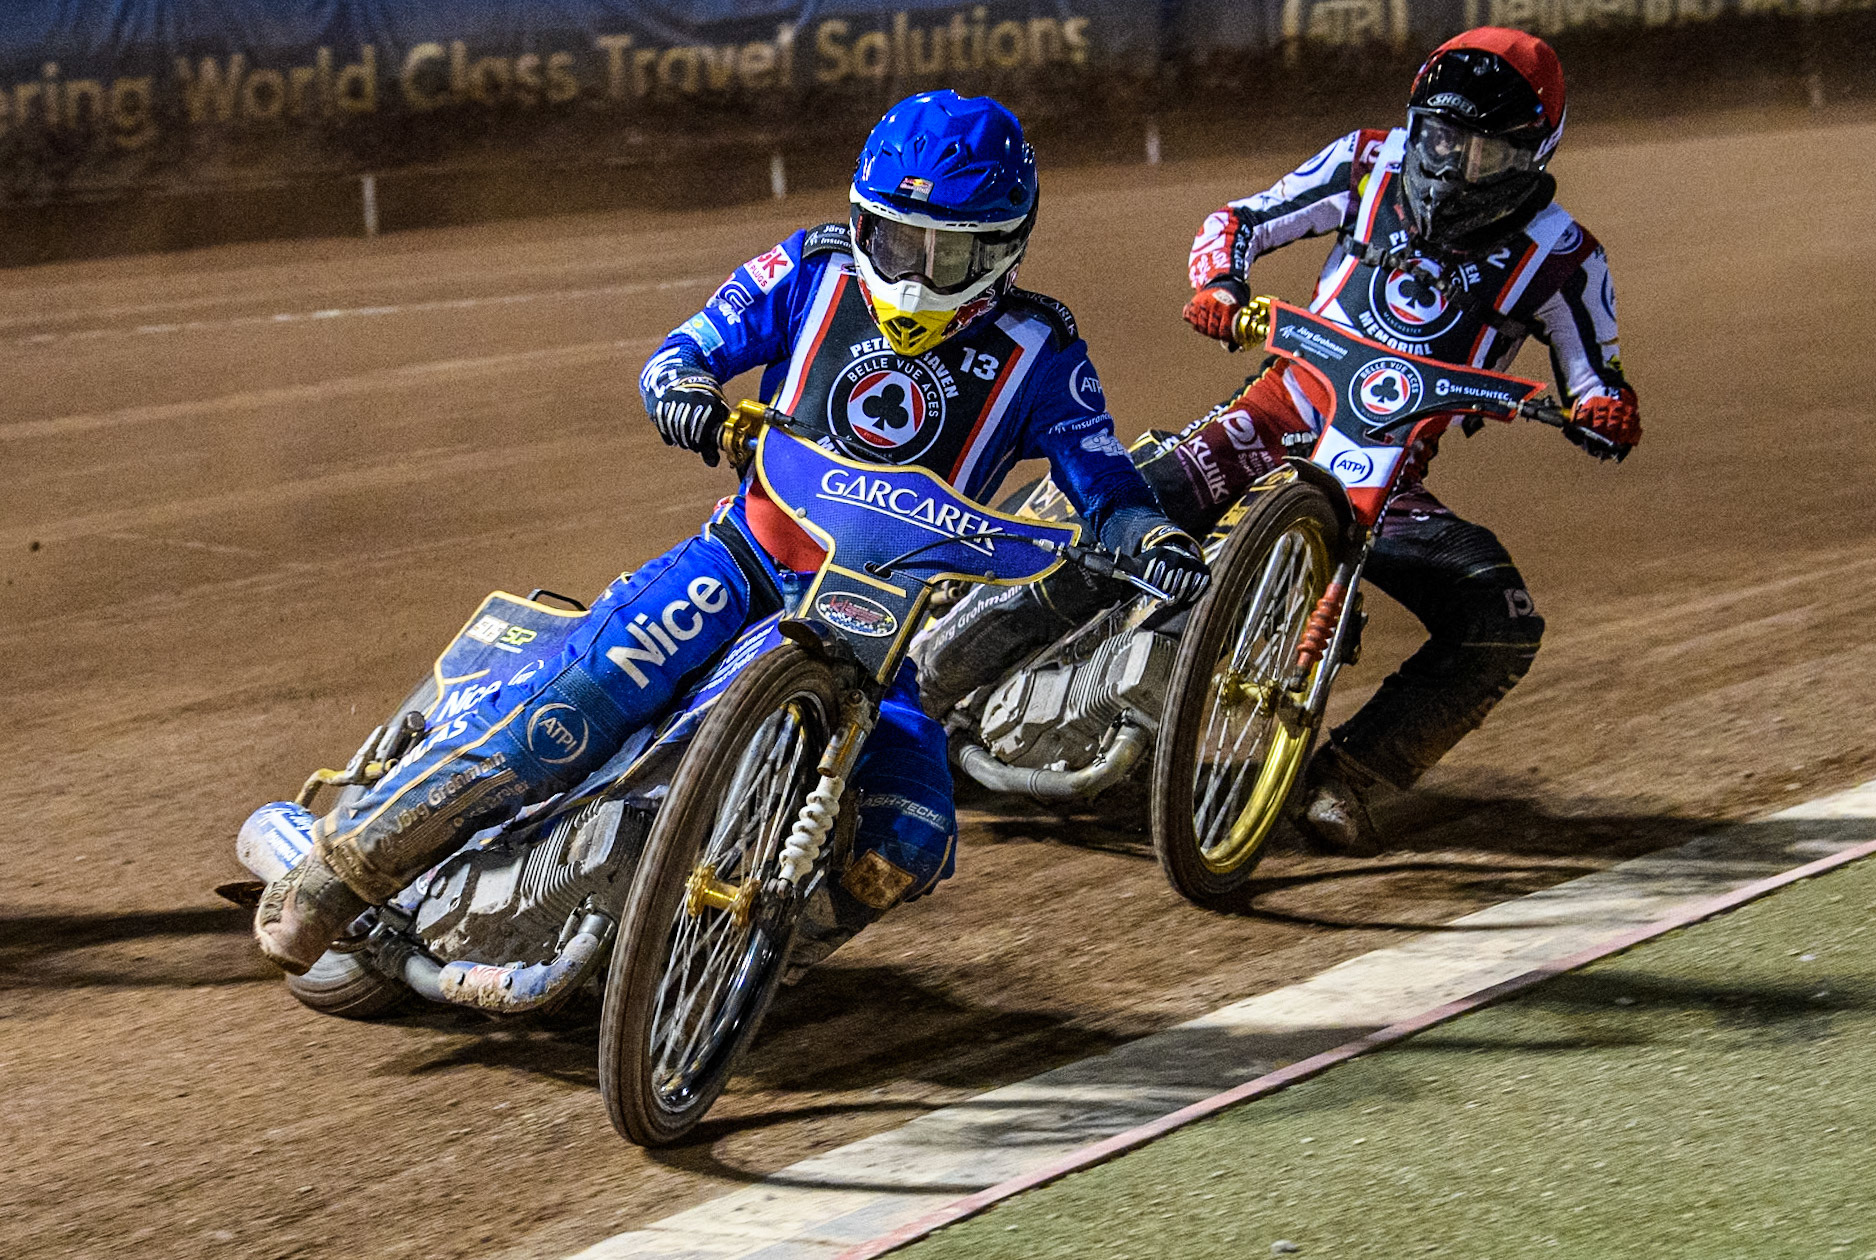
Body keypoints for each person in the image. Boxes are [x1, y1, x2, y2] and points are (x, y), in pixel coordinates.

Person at [248, 90, 1209, 976]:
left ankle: (726, 969)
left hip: (883, 633)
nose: (912, 277)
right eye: (891, 239)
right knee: (569, 712)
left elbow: (1105, 483)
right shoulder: (807, 268)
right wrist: (689, 399)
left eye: (944, 256)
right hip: (740, 565)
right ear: (859, 216)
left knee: (906, 838)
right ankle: (336, 878)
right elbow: (682, 352)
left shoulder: (1045, 351)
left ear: (1004, 248)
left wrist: (1143, 537)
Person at [918, 28, 1641, 855]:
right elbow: (1239, 221)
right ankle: (923, 688)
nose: (1454, 165)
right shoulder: (1366, 161)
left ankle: (1349, 778)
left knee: (1499, 621)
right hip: (1271, 416)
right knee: (1109, 518)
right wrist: (1219, 284)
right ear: (1419, 122)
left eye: (1485, 151)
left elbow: (1596, 376)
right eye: (1443, 139)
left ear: (1534, 150)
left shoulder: (1566, 258)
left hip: (1389, 477)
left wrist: (1602, 409)